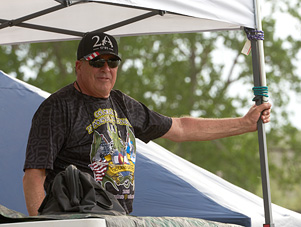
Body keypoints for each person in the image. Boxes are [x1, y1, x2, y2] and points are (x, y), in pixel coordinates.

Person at [23, 32, 271, 216]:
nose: (106, 69)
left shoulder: (123, 104)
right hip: (75, 221)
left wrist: (244, 123)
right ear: (79, 66)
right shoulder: (57, 108)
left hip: (119, 219)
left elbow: (181, 128)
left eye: (112, 62)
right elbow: (34, 174)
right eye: (97, 62)